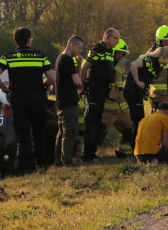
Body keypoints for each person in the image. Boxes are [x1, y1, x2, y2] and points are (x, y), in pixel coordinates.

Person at [0, 27, 55, 173]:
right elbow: (52, 78)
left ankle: (24, 166)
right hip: (37, 98)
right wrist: (42, 86)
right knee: (39, 132)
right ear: (28, 40)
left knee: (22, 134)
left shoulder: (9, 56)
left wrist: (4, 88)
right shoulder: (40, 56)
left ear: (16, 41)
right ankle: (42, 163)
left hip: (18, 98)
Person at [80, 29, 121, 162]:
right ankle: (87, 155)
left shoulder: (109, 51)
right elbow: (84, 67)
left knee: (97, 122)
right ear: (107, 37)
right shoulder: (98, 49)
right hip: (94, 91)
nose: (117, 41)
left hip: (102, 91)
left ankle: (92, 153)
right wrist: (82, 86)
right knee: (91, 122)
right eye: (116, 38)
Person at [124, 46, 168, 149]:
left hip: (138, 93)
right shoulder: (150, 60)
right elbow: (134, 64)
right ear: (165, 56)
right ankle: (135, 147)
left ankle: (135, 147)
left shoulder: (157, 65)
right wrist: (138, 81)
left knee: (139, 119)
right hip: (132, 92)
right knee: (138, 120)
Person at [100, 39, 134, 158]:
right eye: (118, 53)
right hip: (107, 109)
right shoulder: (105, 66)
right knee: (99, 135)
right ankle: (88, 155)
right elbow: (113, 76)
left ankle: (124, 154)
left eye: (122, 54)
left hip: (121, 109)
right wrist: (121, 64)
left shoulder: (119, 67)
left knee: (129, 130)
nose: (120, 57)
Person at [54, 35, 84, 167]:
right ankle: (67, 162)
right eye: (79, 47)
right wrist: (78, 65)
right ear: (71, 45)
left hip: (61, 101)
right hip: (69, 102)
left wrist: (78, 64)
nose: (80, 51)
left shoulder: (59, 58)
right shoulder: (67, 60)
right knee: (70, 132)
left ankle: (58, 161)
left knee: (61, 133)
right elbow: (77, 81)